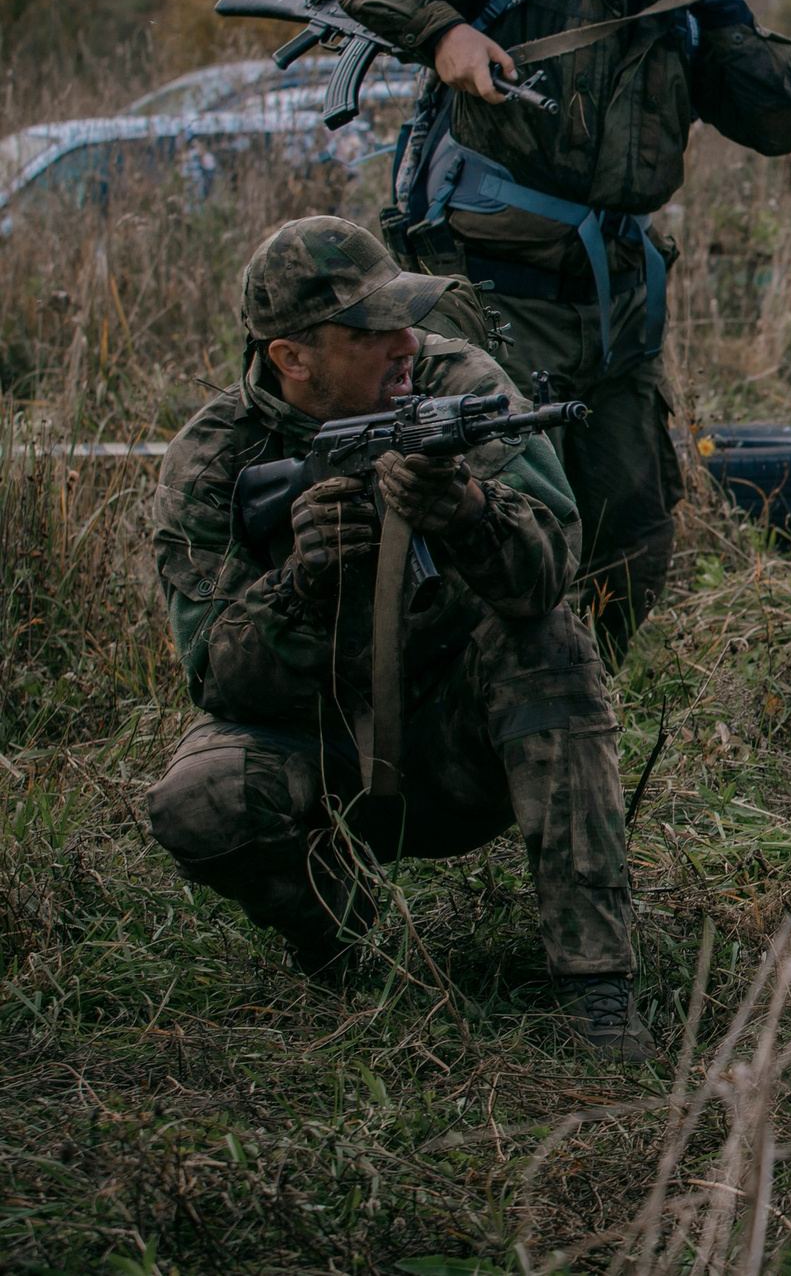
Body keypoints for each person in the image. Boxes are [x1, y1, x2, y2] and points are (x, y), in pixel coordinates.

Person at [144, 216, 647, 1059]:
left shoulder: (459, 385)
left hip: (457, 730)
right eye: (371, 332)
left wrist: (469, 514)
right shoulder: (215, 459)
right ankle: (348, 943)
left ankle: (596, 981)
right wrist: (301, 586)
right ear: (292, 358)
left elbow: (549, 574)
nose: (405, 342)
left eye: (405, 317)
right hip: (321, 744)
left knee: (551, 645)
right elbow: (219, 679)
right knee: (199, 800)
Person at [333, 0, 791, 661]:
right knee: (503, 510)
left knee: (633, 525)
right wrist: (445, 33)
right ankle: (478, 694)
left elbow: (784, 120)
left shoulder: (679, 7)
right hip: (490, 300)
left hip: (618, 313)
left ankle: (588, 689)